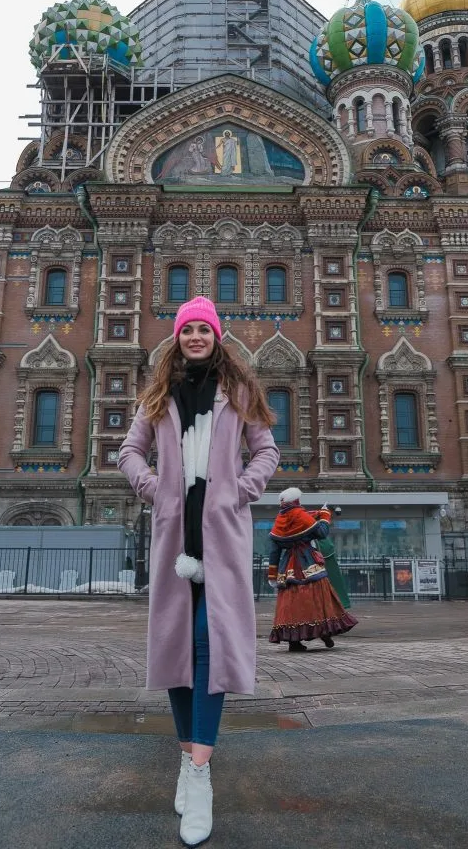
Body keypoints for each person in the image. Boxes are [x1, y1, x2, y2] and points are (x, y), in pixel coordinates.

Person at [118, 296, 279, 847]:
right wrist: (153, 488)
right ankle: (189, 760)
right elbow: (128, 452)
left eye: (202, 330)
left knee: (210, 641)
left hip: (222, 536)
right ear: (177, 338)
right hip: (174, 536)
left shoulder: (238, 393)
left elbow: (267, 451)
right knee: (177, 650)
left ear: (216, 337)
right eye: (186, 329)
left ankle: (199, 772)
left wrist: (241, 489)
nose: (194, 337)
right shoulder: (158, 398)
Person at [268, 488, 357, 650]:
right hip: (307, 562)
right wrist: (324, 516)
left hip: (287, 566)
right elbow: (321, 533)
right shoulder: (301, 515)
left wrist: (272, 575)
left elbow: (274, 551)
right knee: (319, 597)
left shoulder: (279, 520)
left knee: (290, 603)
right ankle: (324, 632)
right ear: (296, 501)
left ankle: (293, 641)